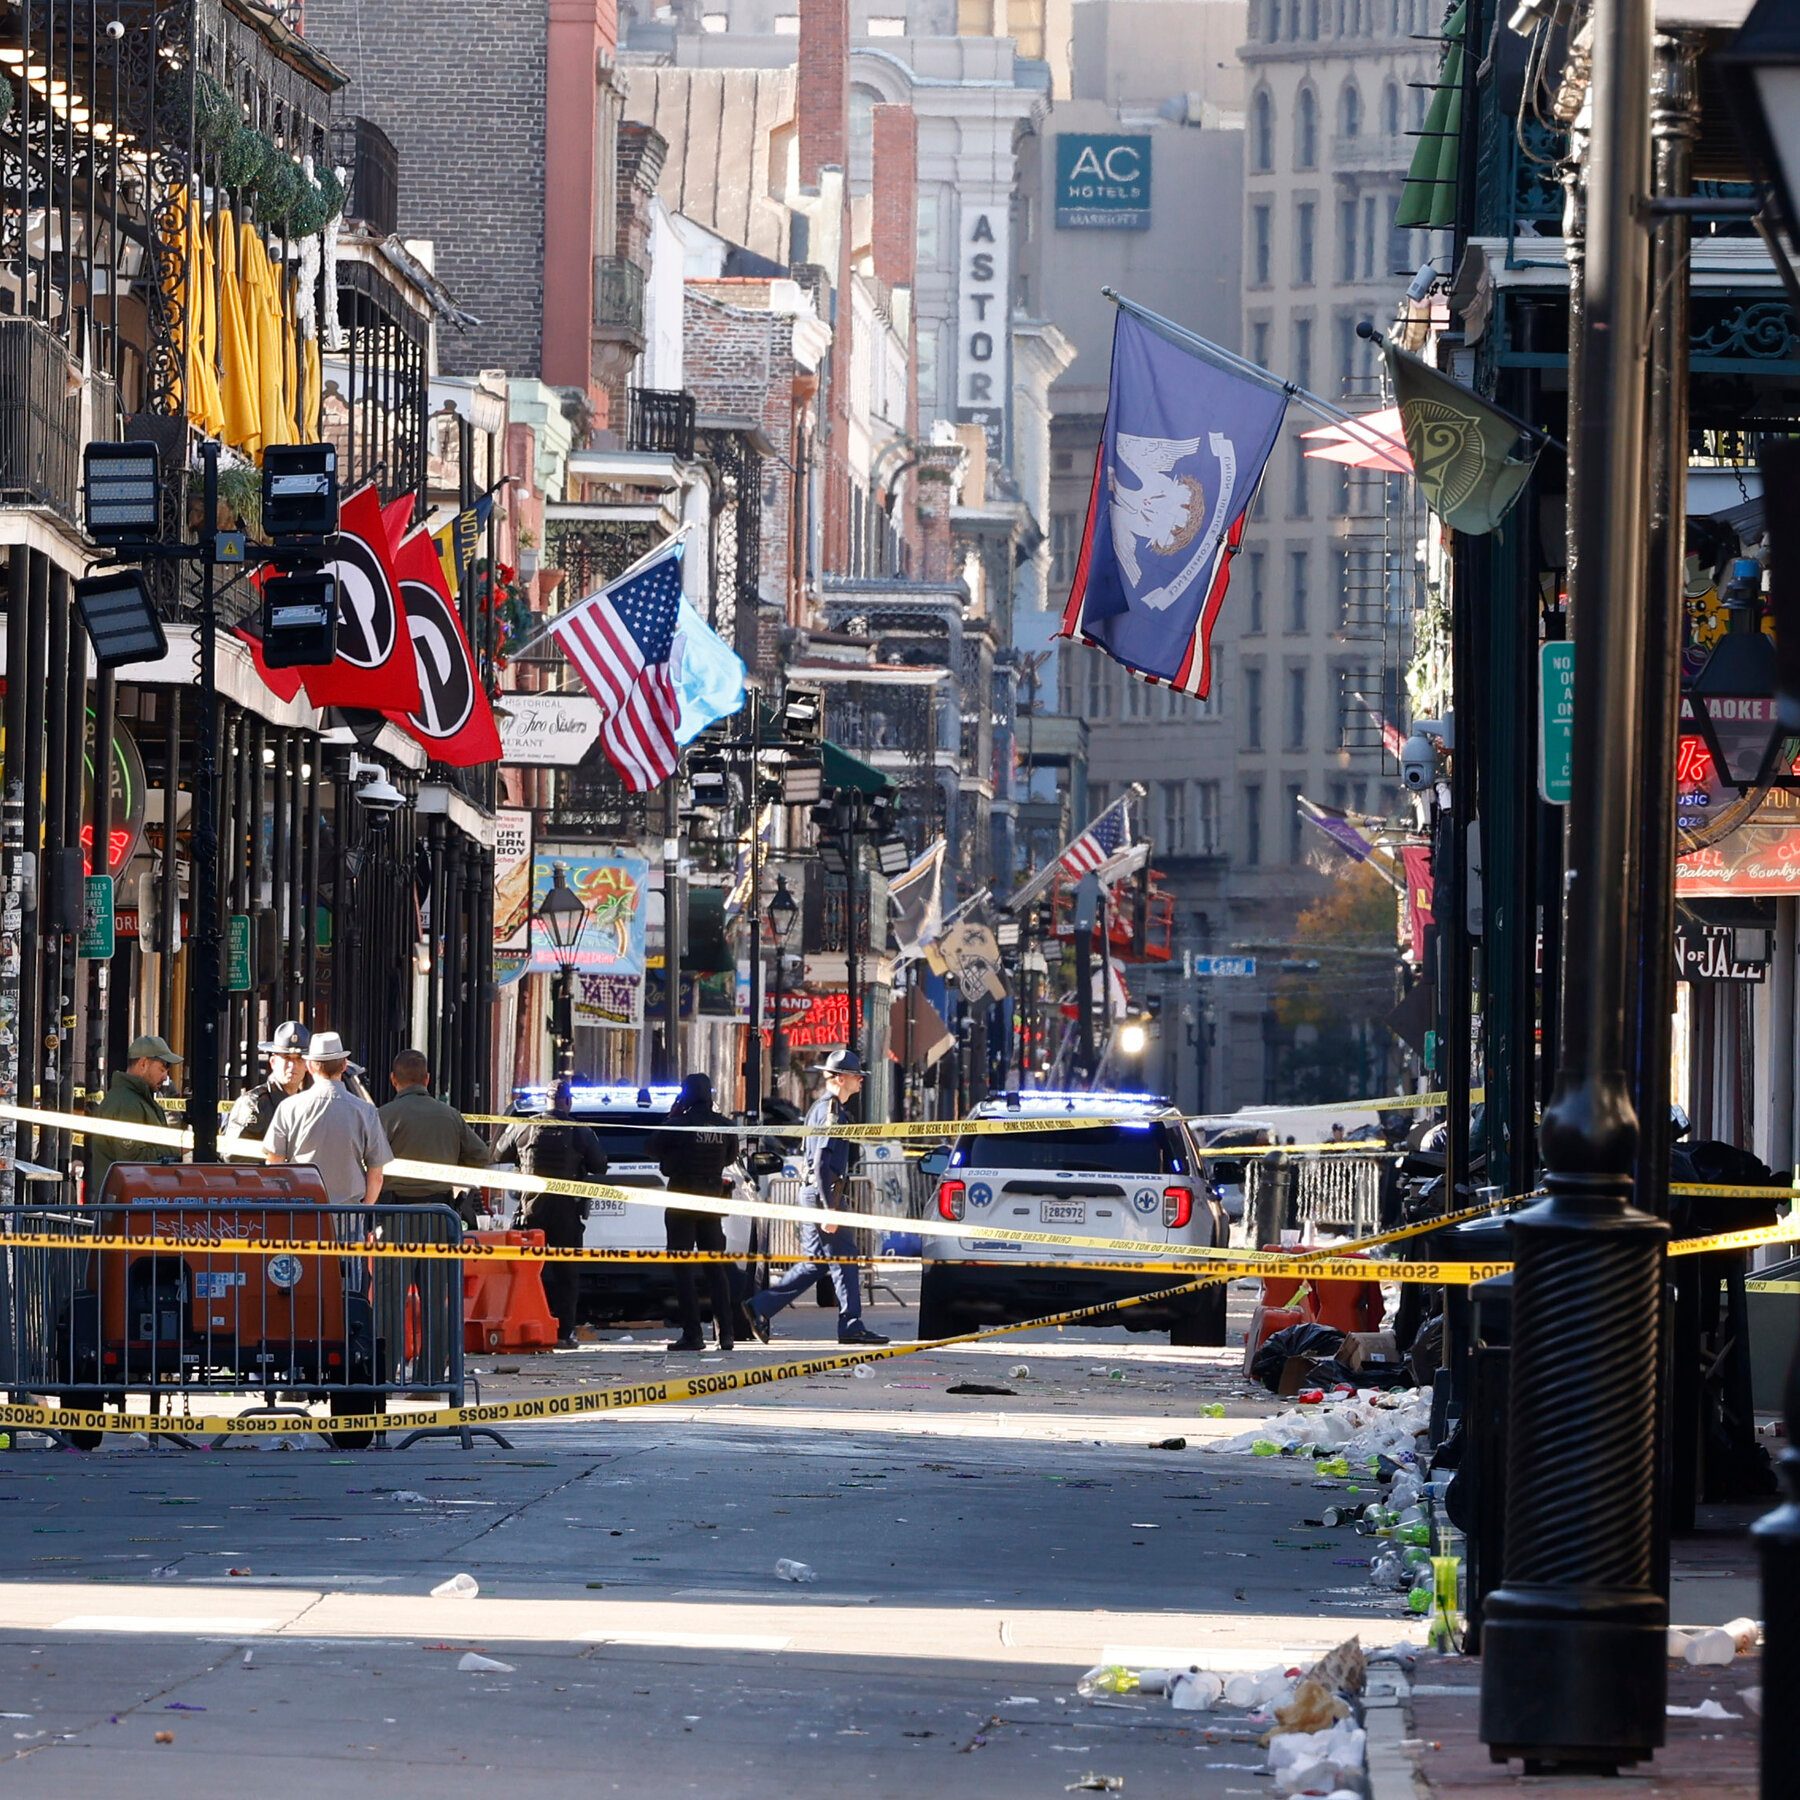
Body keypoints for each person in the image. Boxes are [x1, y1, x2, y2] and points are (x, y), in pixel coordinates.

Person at [746, 1049, 888, 1347]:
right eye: (855, 1075)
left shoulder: (824, 1108)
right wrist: (830, 1209)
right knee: (845, 1260)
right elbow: (823, 1162)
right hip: (825, 1193)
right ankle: (851, 1325)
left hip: (817, 1192)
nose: (860, 1080)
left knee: (817, 1263)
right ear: (838, 1078)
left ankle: (761, 1306)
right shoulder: (830, 1112)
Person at [495, 1080, 609, 1346]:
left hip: (531, 1211)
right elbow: (600, 1165)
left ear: (545, 1102)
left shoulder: (524, 1127)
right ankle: (563, 1332)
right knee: (566, 1273)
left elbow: (497, 1152)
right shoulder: (579, 1132)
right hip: (566, 1212)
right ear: (568, 1103)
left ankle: (527, 1328)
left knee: (526, 1272)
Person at [262, 1030, 392, 1206]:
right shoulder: (365, 1111)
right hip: (348, 1218)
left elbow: (274, 1165)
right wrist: (365, 1211)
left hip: (301, 1215)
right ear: (344, 1065)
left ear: (310, 1066)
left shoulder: (288, 1108)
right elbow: (376, 1175)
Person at [657, 1072, 737, 1353]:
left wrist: (671, 1115)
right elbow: (729, 1157)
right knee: (716, 1269)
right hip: (713, 1203)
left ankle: (692, 1334)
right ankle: (725, 1334)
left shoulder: (678, 1124)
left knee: (683, 1270)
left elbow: (653, 1150)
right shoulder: (725, 1126)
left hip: (682, 1203)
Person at [378, 1049, 492, 1224]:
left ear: (393, 1079)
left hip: (395, 1215)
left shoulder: (383, 1116)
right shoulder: (450, 1115)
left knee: (396, 1252)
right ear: (427, 1079)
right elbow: (481, 1155)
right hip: (439, 1214)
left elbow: (368, 1160)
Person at [88, 1035, 182, 1197]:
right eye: (162, 1068)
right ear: (143, 1064)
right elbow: (133, 1160)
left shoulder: (137, 1100)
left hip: (131, 1204)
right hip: (124, 1207)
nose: (165, 1076)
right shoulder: (126, 1104)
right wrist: (177, 1147)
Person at [224, 1020, 311, 1156]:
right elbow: (232, 1154)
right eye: (287, 1058)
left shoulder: (307, 1104)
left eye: (299, 1059)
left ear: (307, 1065)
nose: (292, 1066)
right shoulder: (255, 1103)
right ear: (273, 1062)